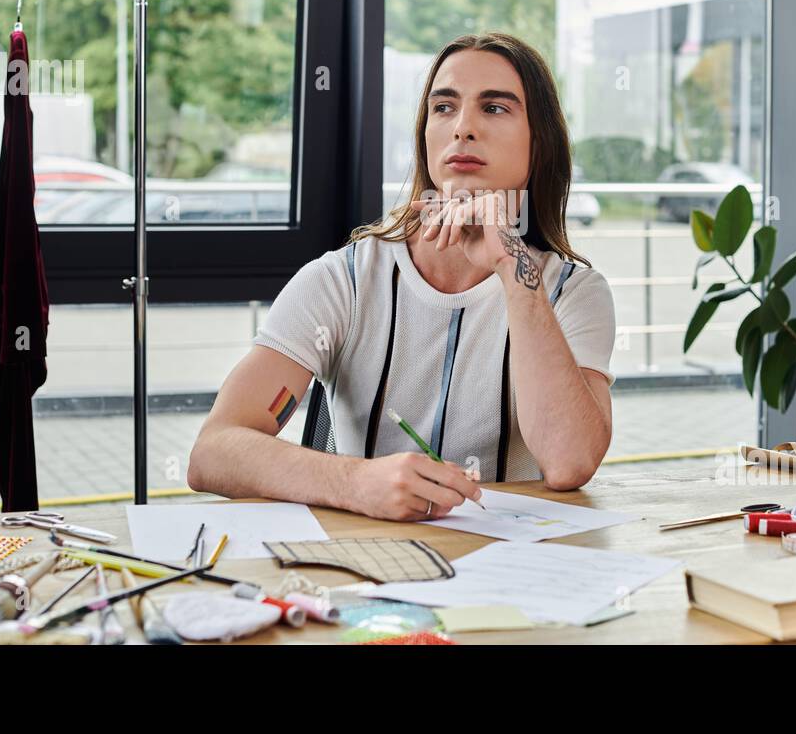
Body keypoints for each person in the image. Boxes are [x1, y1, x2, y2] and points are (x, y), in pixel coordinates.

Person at [188, 32, 616, 521]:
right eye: (444, 107)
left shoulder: (575, 293)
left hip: (514, 574)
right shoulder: (343, 280)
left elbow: (569, 462)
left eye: (495, 108)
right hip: (367, 562)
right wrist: (354, 481)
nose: (463, 128)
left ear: (539, 145)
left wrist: (513, 269)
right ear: (425, 135)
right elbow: (213, 453)